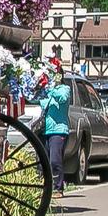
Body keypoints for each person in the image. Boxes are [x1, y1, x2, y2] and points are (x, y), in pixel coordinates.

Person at [38, 64, 70, 198]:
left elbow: (62, 98)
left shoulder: (65, 89)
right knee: (42, 161)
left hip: (59, 130)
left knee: (55, 160)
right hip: (46, 130)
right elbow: (42, 102)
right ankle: (44, 186)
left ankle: (58, 188)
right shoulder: (47, 92)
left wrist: (51, 88)